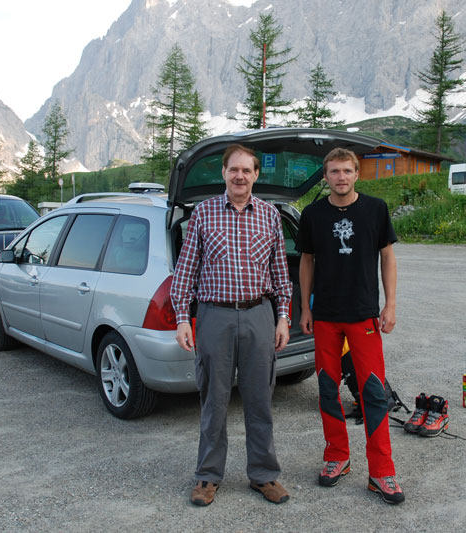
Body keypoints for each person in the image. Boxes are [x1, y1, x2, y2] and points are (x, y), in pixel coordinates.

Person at [170, 143, 294, 508]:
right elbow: (185, 272)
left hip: (259, 314)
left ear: (256, 175)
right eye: (233, 169)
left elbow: (280, 273)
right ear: (223, 173)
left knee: (260, 400)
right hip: (214, 316)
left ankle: (264, 475)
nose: (240, 176)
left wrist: (283, 316)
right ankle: (208, 476)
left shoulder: (270, 216)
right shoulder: (203, 214)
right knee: (214, 399)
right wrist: (182, 319)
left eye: (247, 170)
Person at [296, 147, 405, 505]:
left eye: (346, 171)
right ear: (325, 176)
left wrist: (389, 304)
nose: (340, 177)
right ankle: (337, 457)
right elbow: (307, 261)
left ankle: (381, 472)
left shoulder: (375, 209)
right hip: (325, 315)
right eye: (334, 171)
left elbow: (387, 256)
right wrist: (306, 308)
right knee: (328, 389)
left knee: (373, 391)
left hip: (364, 316)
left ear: (357, 173)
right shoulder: (312, 214)